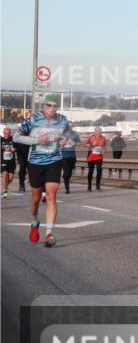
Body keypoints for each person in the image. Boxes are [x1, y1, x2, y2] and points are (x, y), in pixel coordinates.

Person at [14, 94, 71, 247]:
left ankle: (49, 234)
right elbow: (16, 137)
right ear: (44, 105)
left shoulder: (63, 120)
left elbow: (67, 135)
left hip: (54, 160)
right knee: (36, 198)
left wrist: (65, 140)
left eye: (55, 105)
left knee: (51, 196)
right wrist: (36, 140)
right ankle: (34, 222)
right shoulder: (33, 119)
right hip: (35, 162)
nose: (52, 108)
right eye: (49, 105)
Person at [85, 126, 106, 191]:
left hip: (99, 157)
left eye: (100, 131)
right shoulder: (91, 137)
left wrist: (103, 151)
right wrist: (92, 144)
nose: (99, 132)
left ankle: (98, 186)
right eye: (98, 131)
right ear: (95, 131)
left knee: (99, 170)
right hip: (91, 156)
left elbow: (104, 146)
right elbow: (85, 144)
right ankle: (89, 186)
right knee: (91, 171)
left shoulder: (103, 138)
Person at [61, 122, 80, 194]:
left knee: (69, 172)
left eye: (71, 126)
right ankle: (67, 189)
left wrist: (74, 143)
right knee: (66, 172)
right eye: (69, 126)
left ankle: (65, 177)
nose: (70, 127)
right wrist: (63, 143)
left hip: (72, 156)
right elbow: (57, 144)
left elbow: (79, 143)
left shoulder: (75, 134)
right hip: (63, 156)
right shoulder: (61, 133)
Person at [2, 127, 16, 199]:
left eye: (8, 133)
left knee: (10, 178)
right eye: (6, 133)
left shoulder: (13, 140)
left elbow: (17, 148)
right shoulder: (1, 140)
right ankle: (5, 192)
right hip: (3, 161)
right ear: (3, 133)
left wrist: (15, 149)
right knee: (4, 175)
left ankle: (5, 186)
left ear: (10, 133)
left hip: (11, 161)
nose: (7, 135)